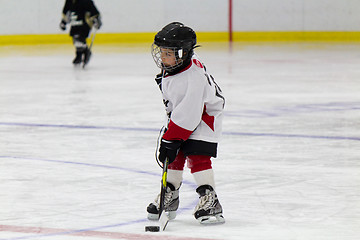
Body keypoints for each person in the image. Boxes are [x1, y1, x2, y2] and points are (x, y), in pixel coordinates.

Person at [147, 22, 225, 225]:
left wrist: (171, 139)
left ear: (182, 53)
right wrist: (171, 141)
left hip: (204, 115)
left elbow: (189, 115)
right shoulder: (178, 64)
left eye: (168, 53)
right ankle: (170, 194)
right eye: (162, 52)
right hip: (183, 113)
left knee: (197, 154)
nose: (163, 58)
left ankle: (210, 199)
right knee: (174, 154)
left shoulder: (192, 78)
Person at [59, 0, 102, 65]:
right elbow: (66, 11)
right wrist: (63, 22)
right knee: (75, 40)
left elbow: (93, 10)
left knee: (79, 39)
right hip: (74, 22)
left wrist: (96, 19)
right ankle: (79, 55)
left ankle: (86, 52)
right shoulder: (69, 1)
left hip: (85, 23)